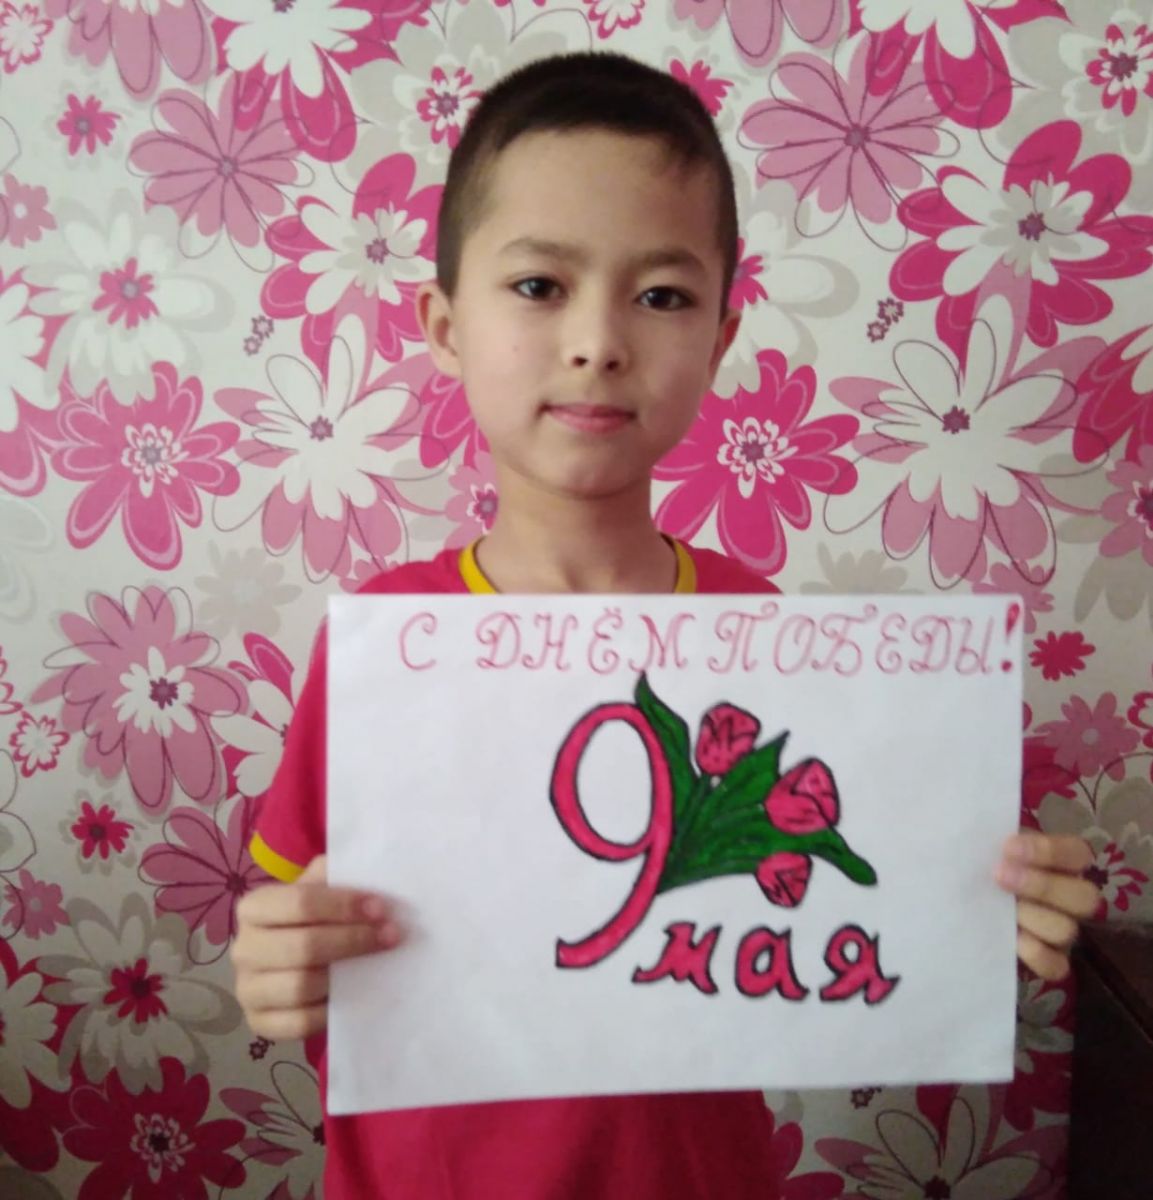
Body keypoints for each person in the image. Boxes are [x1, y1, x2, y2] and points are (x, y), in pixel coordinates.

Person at [230, 50, 1100, 1200]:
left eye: (661, 296)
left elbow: (846, 895)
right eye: (538, 285)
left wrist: (984, 904)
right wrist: (277, 963)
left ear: (721, 340)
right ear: (443, 325)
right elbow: (286, 911)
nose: (598, 341)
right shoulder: (383, 645)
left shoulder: (759, 634)